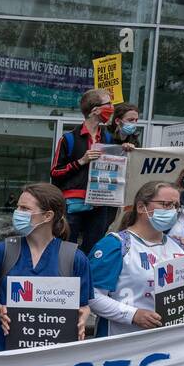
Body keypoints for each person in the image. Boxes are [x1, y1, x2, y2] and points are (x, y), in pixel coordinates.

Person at [0, 182, 92, 352]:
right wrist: (0, 309)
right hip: (2, 348)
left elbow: (83, 304)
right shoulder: (3, 250)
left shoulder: (74, 258)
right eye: (18, 207)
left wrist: (83, 318)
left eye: (24, 208)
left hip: (51, 354)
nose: (17, 213)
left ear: (47, 216)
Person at [88, 180, 184, 336]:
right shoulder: (115, 245)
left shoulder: (182, 246)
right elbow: (91, 295)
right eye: (166, 204)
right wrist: (133, 315)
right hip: (122, 342)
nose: (173, 211)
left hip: (171, 342)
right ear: (141, 207)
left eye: (176, 206)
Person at [51, 87, 118, 255]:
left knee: (95, 249)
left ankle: (87, 280)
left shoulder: (108, 138)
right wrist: (81, 161)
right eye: (108, 104)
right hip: (74, 203)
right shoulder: (69, 138)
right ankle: (66, 281)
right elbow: (55, 172)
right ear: (95, 110)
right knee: (66, 249)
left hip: (100, 201)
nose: (112, 108)